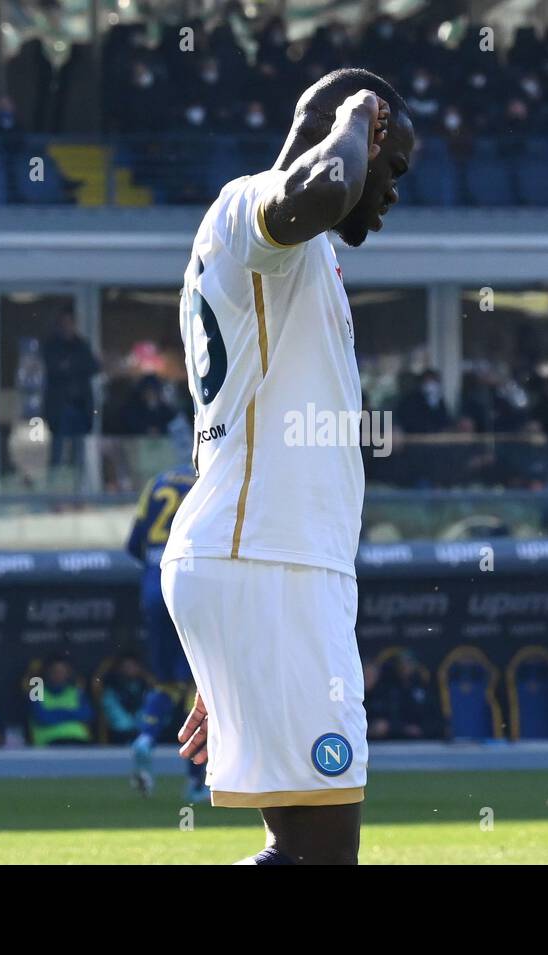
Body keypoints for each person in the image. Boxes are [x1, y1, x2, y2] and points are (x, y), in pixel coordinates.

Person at [162, 67, 414, 864]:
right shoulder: (252, 207)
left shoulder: (293, 260)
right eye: (394, 164)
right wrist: (354, 114)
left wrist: (235, 650)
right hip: (269, 560)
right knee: (320, 857)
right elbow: (326, 188)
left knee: (304, 850)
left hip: (265, 564)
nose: (393, 191)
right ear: (360, 138)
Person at [125, 462, 209, 802]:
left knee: (165, 682)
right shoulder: (209, 480)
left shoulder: (155, 481)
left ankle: (145, 736)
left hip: (152, 584)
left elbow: (133, 545)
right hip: (189, 580)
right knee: (201, 683)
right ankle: (196, 781)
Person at [41, 309, 101, 482]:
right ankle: (54, 490)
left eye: (70, 324)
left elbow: (93, 367)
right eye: (64, 324)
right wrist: (73, 366)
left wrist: (71, 365)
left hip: (80, 406)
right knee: (57, 452)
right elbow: (55, 367)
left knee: (79, 453)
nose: (68, 327)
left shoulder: (81, 345)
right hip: (61, 407)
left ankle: (78, 490)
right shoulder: (52, 346)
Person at [28, 654, 93, 746]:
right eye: (55, 671)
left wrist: (55, 713)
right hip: (50, 743)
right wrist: (72, 713)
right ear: (47, 672)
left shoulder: (76, 692)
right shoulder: (36, 692)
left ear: (68, 673)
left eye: (62, 671)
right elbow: (42, 718)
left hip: (79, 742)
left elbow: (87, 715)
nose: (58, 675)